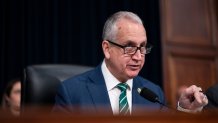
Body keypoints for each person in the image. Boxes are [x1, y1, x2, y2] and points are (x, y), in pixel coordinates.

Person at [53, 11, 208, 115]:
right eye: (129, 47)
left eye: (142, 47)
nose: (138, 57)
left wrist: (184, 111)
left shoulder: (153, 94)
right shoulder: (72, 92)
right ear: (107, 49)